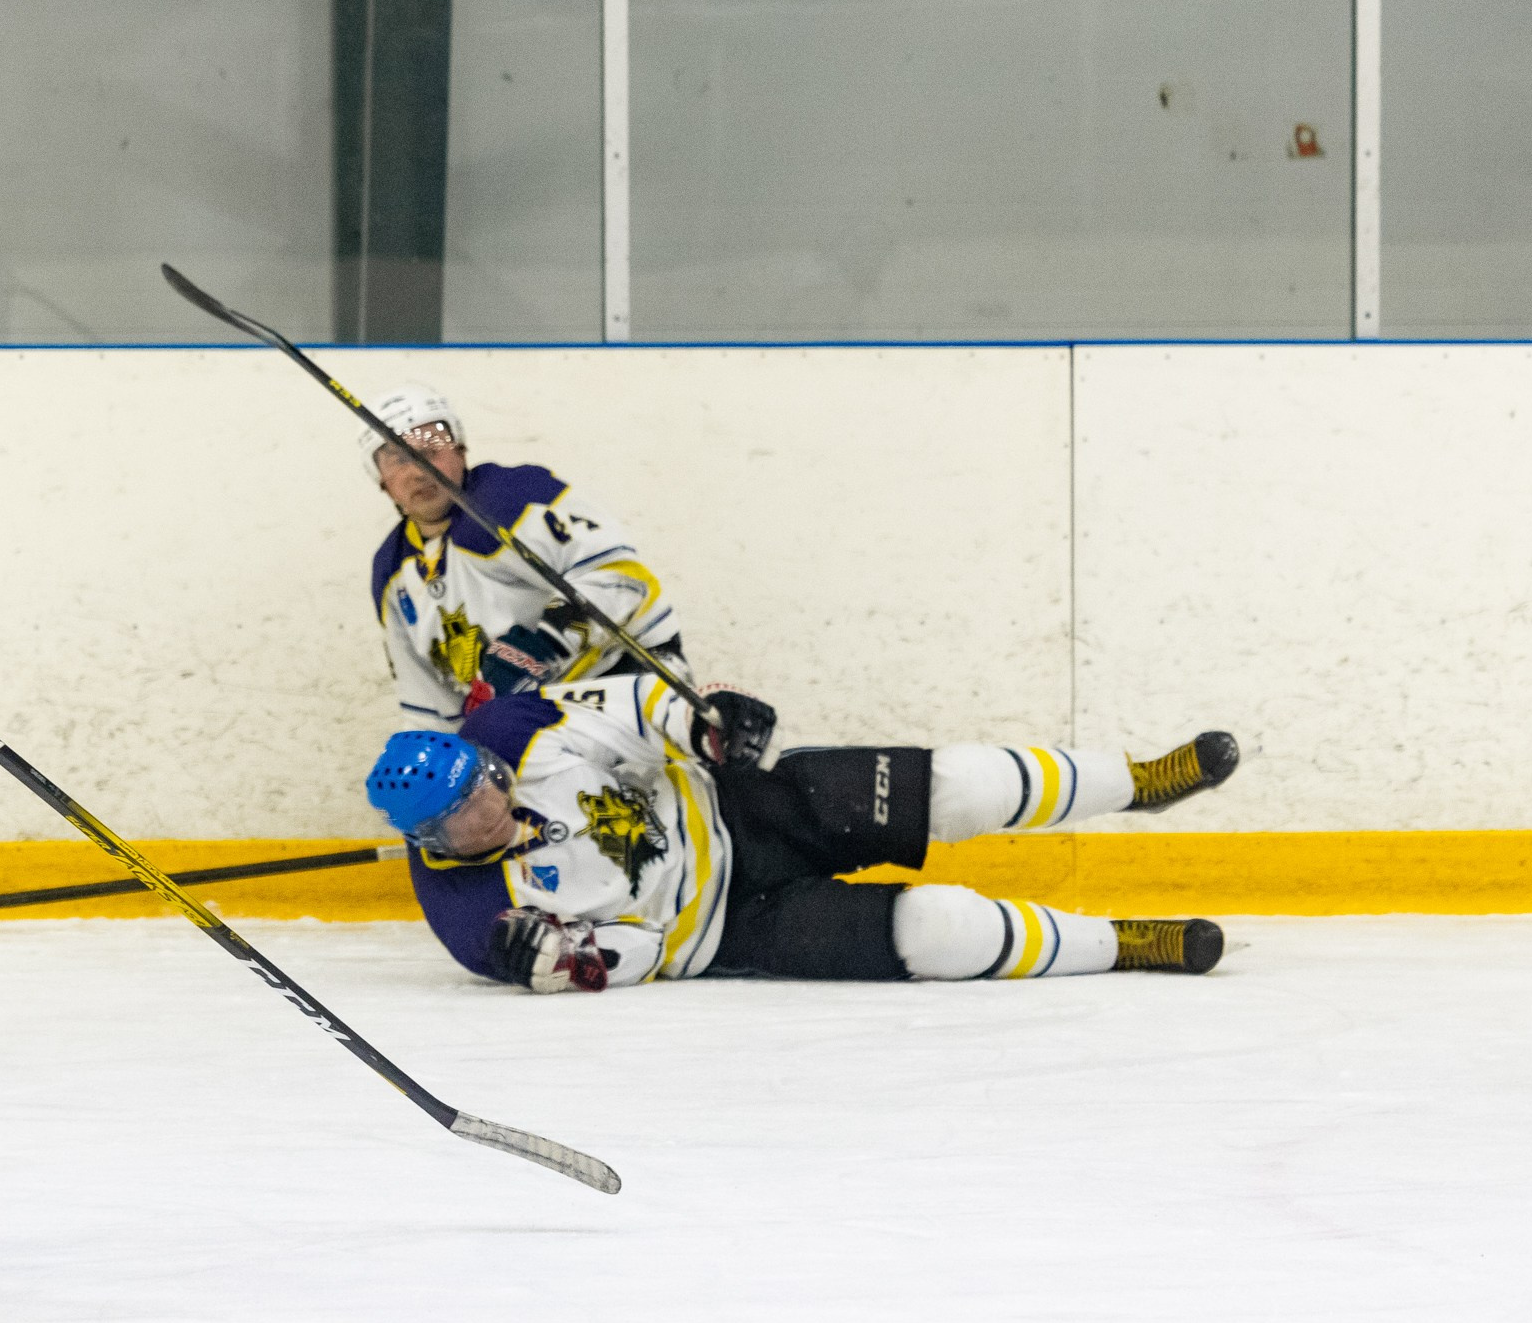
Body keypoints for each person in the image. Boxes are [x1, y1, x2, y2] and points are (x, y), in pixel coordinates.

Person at [365, 675, 1240, 992]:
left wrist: (704, 722)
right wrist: (577, 968)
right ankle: (1124, 944)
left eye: (486, 781)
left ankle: (1141, 779)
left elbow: (634, 707)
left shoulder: (514, 733)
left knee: (957, 785)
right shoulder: (476, 919)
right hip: (731, 929)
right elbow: (639, 950)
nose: (493, 802)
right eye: (469, 813)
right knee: (935, 930)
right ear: (436, 835)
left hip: (747, 808)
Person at [365, 384, 691, 732]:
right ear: (381, 480)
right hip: (519, 727)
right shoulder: (391, 573)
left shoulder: (508, 501)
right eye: (398, 459)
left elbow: (622, 578)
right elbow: (430, 710)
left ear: (461, 451)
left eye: (432, 449)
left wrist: (543, 646)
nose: (418, 470)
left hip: (620, 680)